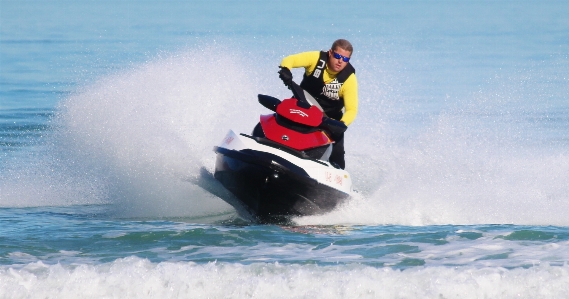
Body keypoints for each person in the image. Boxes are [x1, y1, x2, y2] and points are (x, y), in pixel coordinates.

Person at [278, 39, 358, 169]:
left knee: (337, 154)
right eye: (338, 56)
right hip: (302, 107)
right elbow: (289, 60)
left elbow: (352, 109)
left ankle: (336, 179)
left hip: (328, 120)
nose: (340, 61)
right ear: (331, 53)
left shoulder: (349, 78)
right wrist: (286, 70)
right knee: (280, 117)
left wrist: (341, 124)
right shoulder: (316, 59)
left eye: (345, 59)